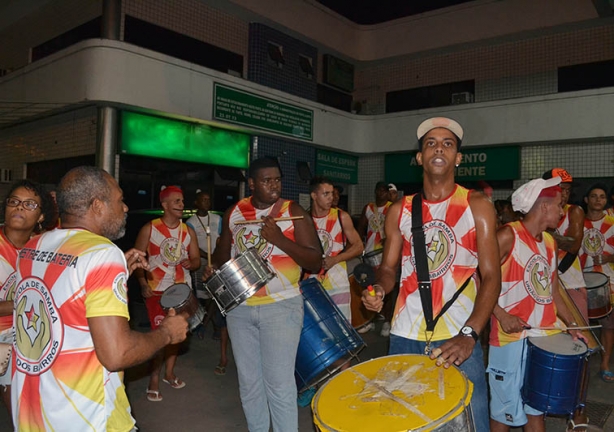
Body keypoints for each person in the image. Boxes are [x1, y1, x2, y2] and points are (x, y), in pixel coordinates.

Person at [11, 166, 188, 431]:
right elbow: (117, 353)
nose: (126, 208)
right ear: (97, 206)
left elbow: (62, 304)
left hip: (32, 411)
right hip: (86, 417)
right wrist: (166, 333)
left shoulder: (33, 247)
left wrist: (115, 276)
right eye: (119, 200)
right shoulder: (102, 253)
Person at [362, 117, 501, 432]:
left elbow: (492, 278)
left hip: (458, 337)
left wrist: (470, 336)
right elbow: (388, 268)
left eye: (448, 144)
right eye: (431, 144)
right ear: (420, 158)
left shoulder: (476, 206)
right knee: (406, 422)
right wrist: (380, 290)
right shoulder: (400, 209)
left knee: (471, 422)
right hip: (404, 335)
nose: (439, 148)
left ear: (458, 158)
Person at [209, 157, 322, 432]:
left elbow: (315, 261)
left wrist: (279, 239)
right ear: (251, 184)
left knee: (279, 383)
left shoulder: (291, 211)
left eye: (278, 179)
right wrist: (215, 268)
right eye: (266, 180)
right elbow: (223, 255)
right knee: (249, 382)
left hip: (281, 307)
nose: (274, 185)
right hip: (241, 307)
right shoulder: (235, 212)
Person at [488, 177, 587, 432]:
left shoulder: (551, 242)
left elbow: (553, 291)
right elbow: (479, 281)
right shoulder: (507, 235)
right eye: (557, 206)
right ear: (543, 207)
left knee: (536, 410)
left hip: (544, 338)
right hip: (510, 338)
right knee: (503, 414)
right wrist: (501, 315)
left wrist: (572, 324)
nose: (561, 211)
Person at [134, 185, 200, 401]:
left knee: (177, 336)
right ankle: (154, 378)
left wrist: (192, 263)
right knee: (160, 337)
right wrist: (143, 282)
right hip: (157, 291)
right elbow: (137, 259)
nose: (182, 205)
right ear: (165, 205)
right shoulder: (150, 229)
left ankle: (169, 373)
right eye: (177, 202)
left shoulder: (187, 231)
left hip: (182, 291)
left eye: (182, 201)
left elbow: (197, 260)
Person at [0, 180, 54, 427]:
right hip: (6, 337)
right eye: (14, 201)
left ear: (41, 215)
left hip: (28, 335)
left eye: (30, 204)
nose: (19, 207)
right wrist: (26, 300)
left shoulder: (43, 248)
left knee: (26, 409)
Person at [306, 176, 364, 321]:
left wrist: (335, 259)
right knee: (316, 330)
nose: (331, 197)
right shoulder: (304, 219)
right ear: (314, 195)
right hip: (310, 284)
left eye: (332, 193)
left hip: (337, 283)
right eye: (326, 194)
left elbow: (359, 246)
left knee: (341, 329)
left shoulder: (341, 216)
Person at [185, 190, 228, 374]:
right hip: (201, 261)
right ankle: (209, 323)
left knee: (215, 295)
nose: (207, 202)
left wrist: (216, 255)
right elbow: (192, 244)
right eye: (203, 200)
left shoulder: (217, 219)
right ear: (196, 203)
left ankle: (206, 322)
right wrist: (206, 255)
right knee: (203, 295)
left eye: (209, 199)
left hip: (215, 260)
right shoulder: (191, 223)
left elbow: (220, 239)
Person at [580, 183, 614, 383]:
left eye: (602, 196)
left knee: (608, 325)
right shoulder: (577, 222)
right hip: (580, 280)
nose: (598, 200)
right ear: (586, 200)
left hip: (607, 282)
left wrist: (610, 259)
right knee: (581, 323)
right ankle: (580, 360)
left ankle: (604, 363)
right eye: (594, 196)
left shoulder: (611, 223)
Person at [356, 181, 393, 335]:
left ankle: (387, 320)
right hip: (371, 253)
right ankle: (370, 319)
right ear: (376, 191)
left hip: (387, 253)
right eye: (380, 191)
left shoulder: (392, 207)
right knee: (369, 287)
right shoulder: (369, 208)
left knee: (387, 287)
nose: (382, 194)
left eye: (385, 191)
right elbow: (361, 228)